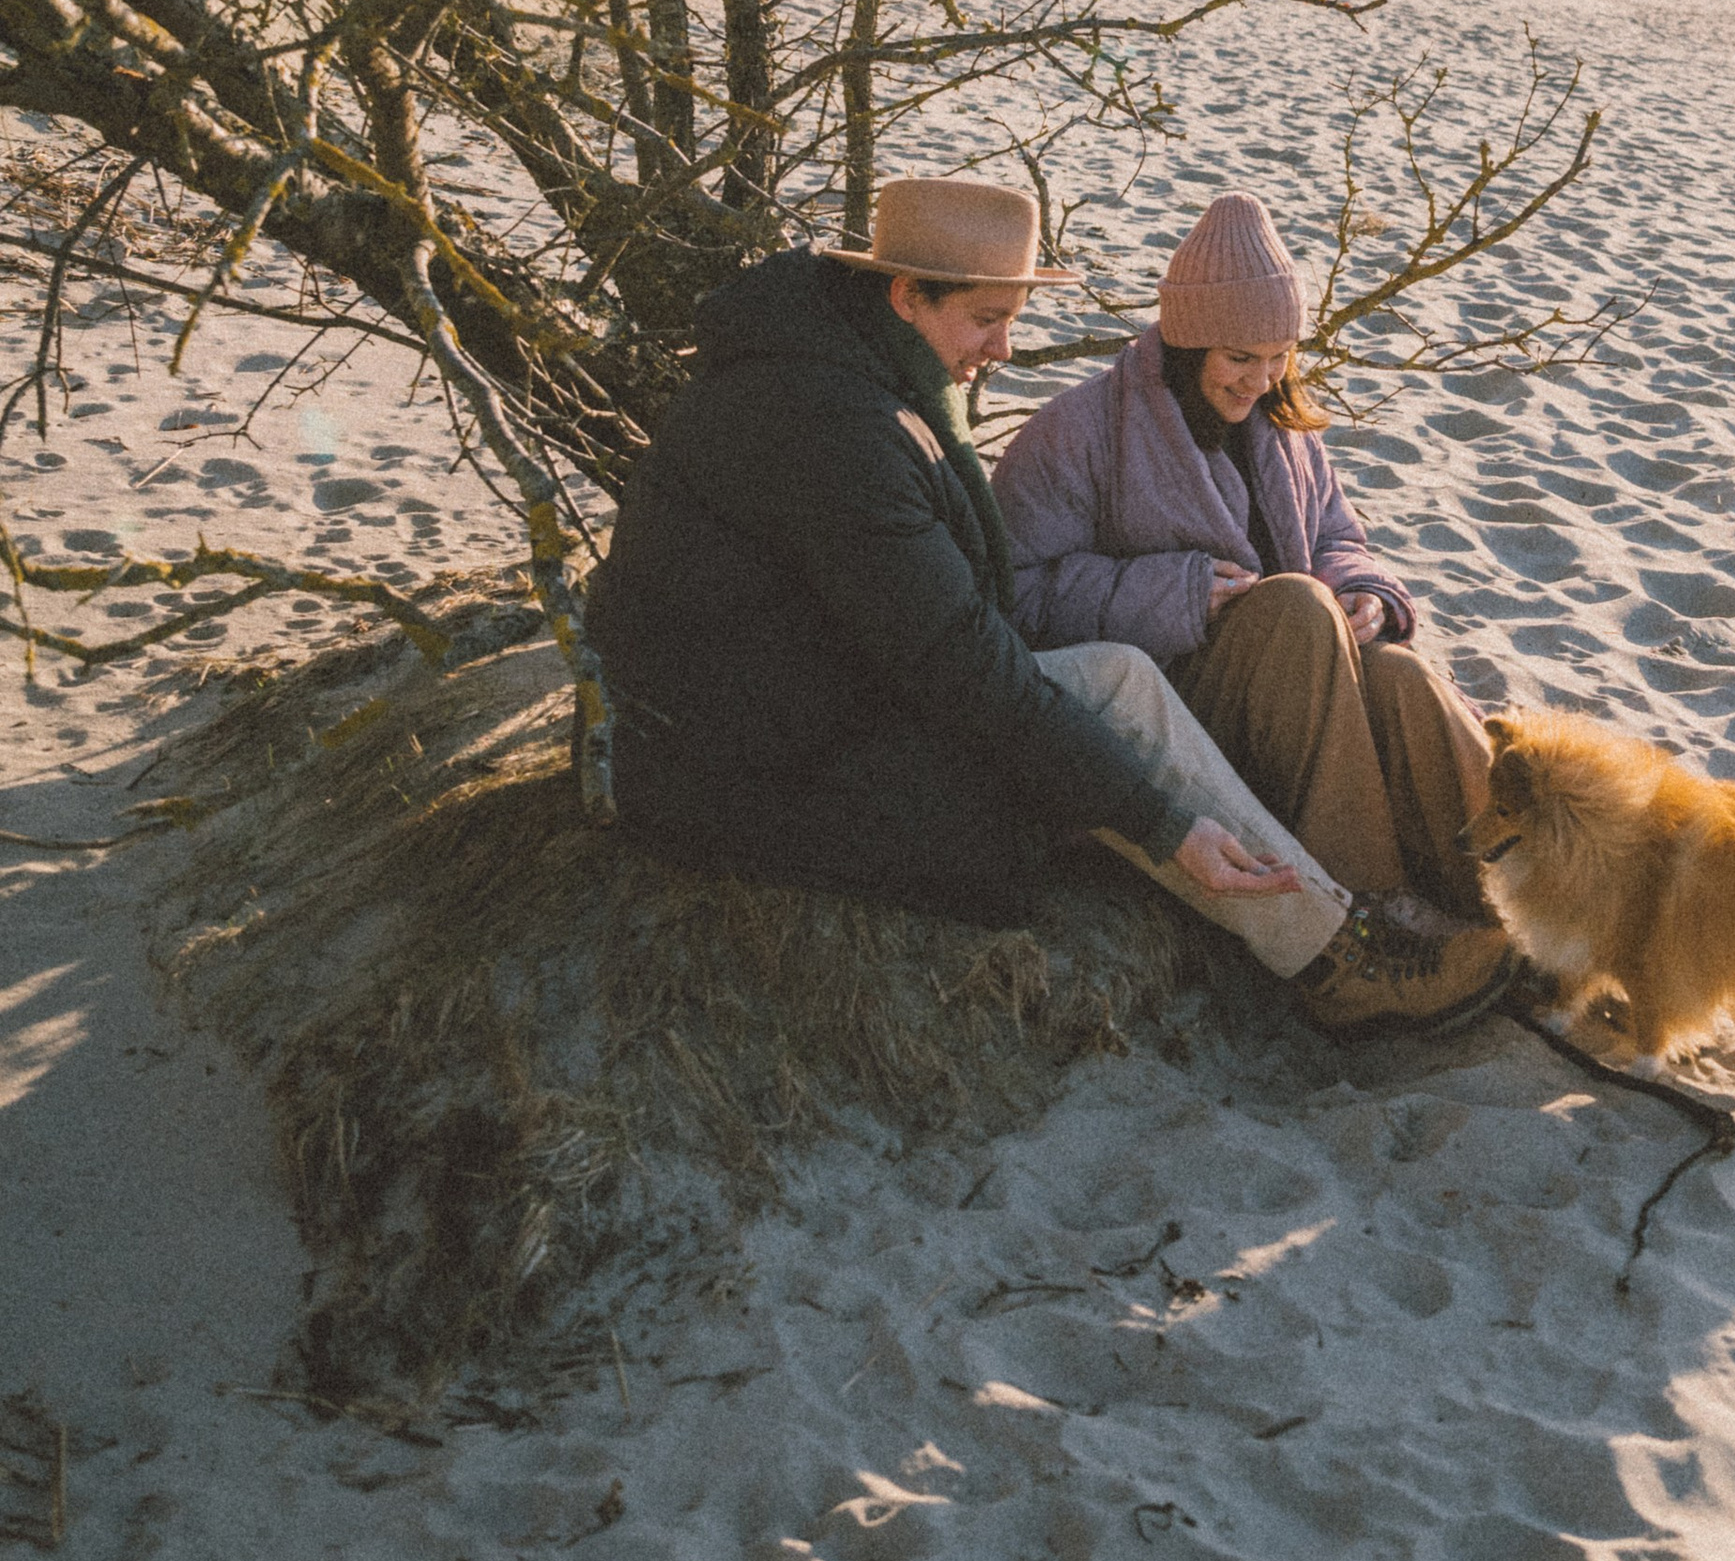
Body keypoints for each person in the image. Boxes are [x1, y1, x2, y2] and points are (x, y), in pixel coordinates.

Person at [583, 173, 1510, 1038]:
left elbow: (940, 632)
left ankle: (1506, 892)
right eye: (988, 319)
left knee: (1375, 667)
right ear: (908, 297)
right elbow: (973, 654)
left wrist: (1371, 594)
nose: (1006, 347)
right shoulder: (841, 433)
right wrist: (1166, 823)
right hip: (762, 767)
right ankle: (1337, 949)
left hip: (805, 705)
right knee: (1126, 687)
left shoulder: (846, 384)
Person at [992, 191, 1499, 933]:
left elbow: (1336, 536)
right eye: (1239, 358)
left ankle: (1508, 896)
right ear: (1190, 341)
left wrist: (1364, 592)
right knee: (1296, 610)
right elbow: (1014, 594)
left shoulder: (1283, 424)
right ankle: (1365, 910)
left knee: (1400, 672)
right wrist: (1174, 591)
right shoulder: (1077, 432)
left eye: (1278, 357)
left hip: (1303, 687)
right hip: (1177, 712)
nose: (1260, 380)